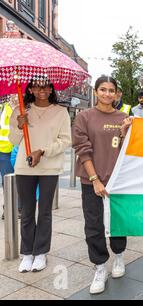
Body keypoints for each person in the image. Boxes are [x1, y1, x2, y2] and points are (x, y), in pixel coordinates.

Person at [9, 76, 71, 273]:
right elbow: (13, 139)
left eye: (45, 86)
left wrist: (42, 151)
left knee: (44, 212)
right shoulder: (21, 110)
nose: (41, 90)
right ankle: (27, 253)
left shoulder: (61, 112)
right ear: (30, 89)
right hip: (24, 167)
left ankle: (41, 252)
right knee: (27, 212)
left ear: (52, 89)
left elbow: (65, 140)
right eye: (36, 86)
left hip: (49, 167)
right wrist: (19, 126)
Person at [72, 76, 128, 294]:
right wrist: (95, 179)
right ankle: (100, 266)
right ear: (95, 92)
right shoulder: (84, 117)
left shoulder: (124, 117)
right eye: (103, 89)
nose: (107, 94)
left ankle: (119, 256)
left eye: (111, 90)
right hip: (92, 180)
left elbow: (127, 150)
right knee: (94, 224)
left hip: (118, 181)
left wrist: (124, 134)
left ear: (117, 93)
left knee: (118, 221)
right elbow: (82, 150)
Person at [0, 100, 15, 220]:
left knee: (10, 182)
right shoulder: (3, 108)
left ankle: (11, 208)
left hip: (11, 150)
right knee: (7, 182)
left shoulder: (15, 108)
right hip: (4, 151)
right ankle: (9, 208)